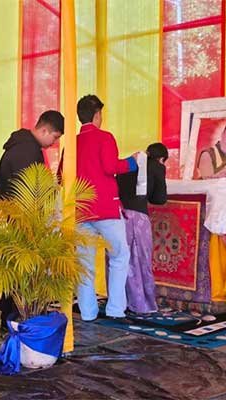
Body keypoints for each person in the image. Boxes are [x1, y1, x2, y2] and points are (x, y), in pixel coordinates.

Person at [0, 110, 65, 329]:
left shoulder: (20, 145)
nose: (53, 143)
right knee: (21, 271)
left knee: (14, 269)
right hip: (22, 220)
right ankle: (18, 319)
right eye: (54, 137)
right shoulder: (28, 150)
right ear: (44, 129)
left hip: (13, 217)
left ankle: (11, 316)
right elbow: (30, 190)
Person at [75, 94, 139, 321]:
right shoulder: (105, 137)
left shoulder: (71, 143)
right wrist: (133, 161)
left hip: (80, 210)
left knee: (84, 262)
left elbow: (63, 176)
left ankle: (88, 312)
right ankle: (115, 309)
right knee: (120, 256)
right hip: (106, 208)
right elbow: (111, 166)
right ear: (97, 114)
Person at [117, 142, 168, 314]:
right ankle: (141, 304)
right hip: (138, 217)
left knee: (119, 261)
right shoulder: (157, 167)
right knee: (140, 260)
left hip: (118, 217)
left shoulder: (128, 161)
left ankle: (118, 303)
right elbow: (159, 198)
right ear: (161, 159)